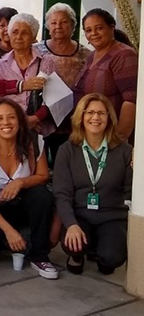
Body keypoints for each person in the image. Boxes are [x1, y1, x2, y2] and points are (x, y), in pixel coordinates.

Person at [0, 99, 58, 279]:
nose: (6, 122)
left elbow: (43, 176)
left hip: (21, 205)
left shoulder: (34, 142)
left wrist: (20, 182)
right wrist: (8, 230)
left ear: (20, 121)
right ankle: (8, 241)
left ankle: (39, 256)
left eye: (11, 117)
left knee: (42, 195)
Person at [53, 93, 132, 275]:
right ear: (80, 117)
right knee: (73, 245)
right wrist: (71, 224)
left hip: (112, 217)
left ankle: (102, 251)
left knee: (112, 259)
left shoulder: (125, 151)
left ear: (109, 118)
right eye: (89, 112)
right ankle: (78, 256)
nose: (95, 117)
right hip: (80, 216)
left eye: (101, 113)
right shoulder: (67, 150)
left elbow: (129, 191)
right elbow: (62, 194)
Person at [35, 3, 90, 165]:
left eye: (64, 22)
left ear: (73, 25)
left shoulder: (86, 54)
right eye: (53, 22)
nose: (58, 26)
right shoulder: (36, 50)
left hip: (72, 119)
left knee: (67, 165)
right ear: (47, 26)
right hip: (42, 120)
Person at [74, 9, 138, 140]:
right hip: (93, 135)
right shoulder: (92, 56)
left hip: (112, 136)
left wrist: (118, 140)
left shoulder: (124, 55)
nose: (94, 33)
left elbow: (131, 101)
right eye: (88, 30)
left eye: (99, 28)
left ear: (111, 28)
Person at [0, 13, 58, 136]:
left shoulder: (46, 62)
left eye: (25, 33)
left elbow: (55, 96)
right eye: (15, 32)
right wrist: (20, 121)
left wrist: (36, 118)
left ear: (33, 37)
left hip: (40, 130)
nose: (19, 37)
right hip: (10, 129)